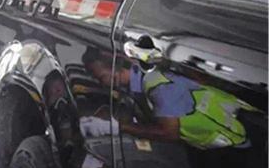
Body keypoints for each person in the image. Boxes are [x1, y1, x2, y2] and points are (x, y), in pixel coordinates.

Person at [80, 47, 255, 149]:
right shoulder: (141, 76)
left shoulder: (157, 86)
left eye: (101, 77)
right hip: (229, 130)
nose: (102, 83)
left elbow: (169, 133)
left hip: (239, 137)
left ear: (114, 66)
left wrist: (119, 127)